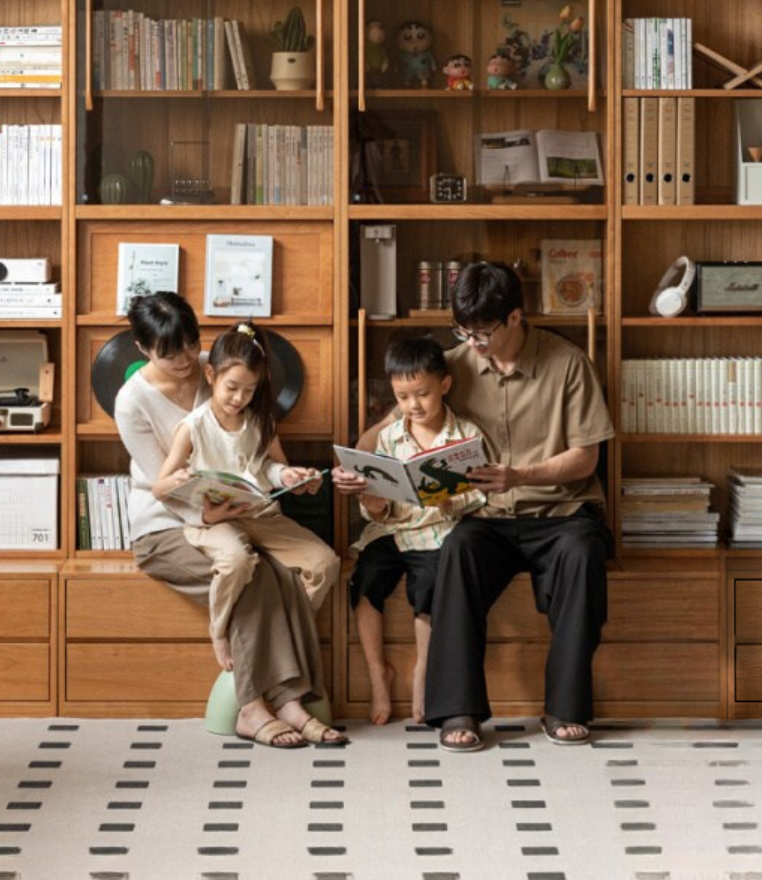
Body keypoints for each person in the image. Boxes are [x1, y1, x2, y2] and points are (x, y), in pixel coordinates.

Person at [335, 262, 615, 751]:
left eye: (482, 332)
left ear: (514, 317)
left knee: (583, 556)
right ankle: (458, 710)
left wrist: (519, 475)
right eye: (462, 331)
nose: (472, 342)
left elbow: (586, 457)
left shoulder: (568, 363)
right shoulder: (451, 365)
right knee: (456, 553)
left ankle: (565, 708)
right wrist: (360, 468)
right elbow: (388, 424)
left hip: (560, 512)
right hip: (484, 517)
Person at [114, 293, 346, 749]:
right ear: (143, 349)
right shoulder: (132, 402)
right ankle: (257, 705)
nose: (184, 359)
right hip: (168, 522)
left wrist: (278, 479)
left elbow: (259, 451)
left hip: (238, 514)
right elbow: (166, 484)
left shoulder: (222, 367)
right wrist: (207, 513)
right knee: (253, 575)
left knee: (290, 570)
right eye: (169, 352)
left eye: (189, 344)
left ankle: (285, 701)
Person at [152, 320, 340, 673]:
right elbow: (160, 487)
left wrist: (292, 476)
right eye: (232, 388)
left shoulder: (260, 421)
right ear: (211, 376)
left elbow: (272, 468)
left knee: (324, 563)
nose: (240, 399)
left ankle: (286, 631)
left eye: (250, 390)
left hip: (261, 514)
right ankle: (219, 629)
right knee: (236, 560)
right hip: (213, 521)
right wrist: (180, 478)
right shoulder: (194, 425)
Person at [346, 333, 485, 725]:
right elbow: (379, 500)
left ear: (444, 385)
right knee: (365, 581)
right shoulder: (389, 438)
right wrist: (373, 503)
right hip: (392, 531)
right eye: (403, 397)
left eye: (422, 394)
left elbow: (480, 496)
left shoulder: (466, 437)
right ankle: (378, 674)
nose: (413, 405)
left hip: (437, 530)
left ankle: (423, 672)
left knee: (429, 587)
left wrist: (449, 500)